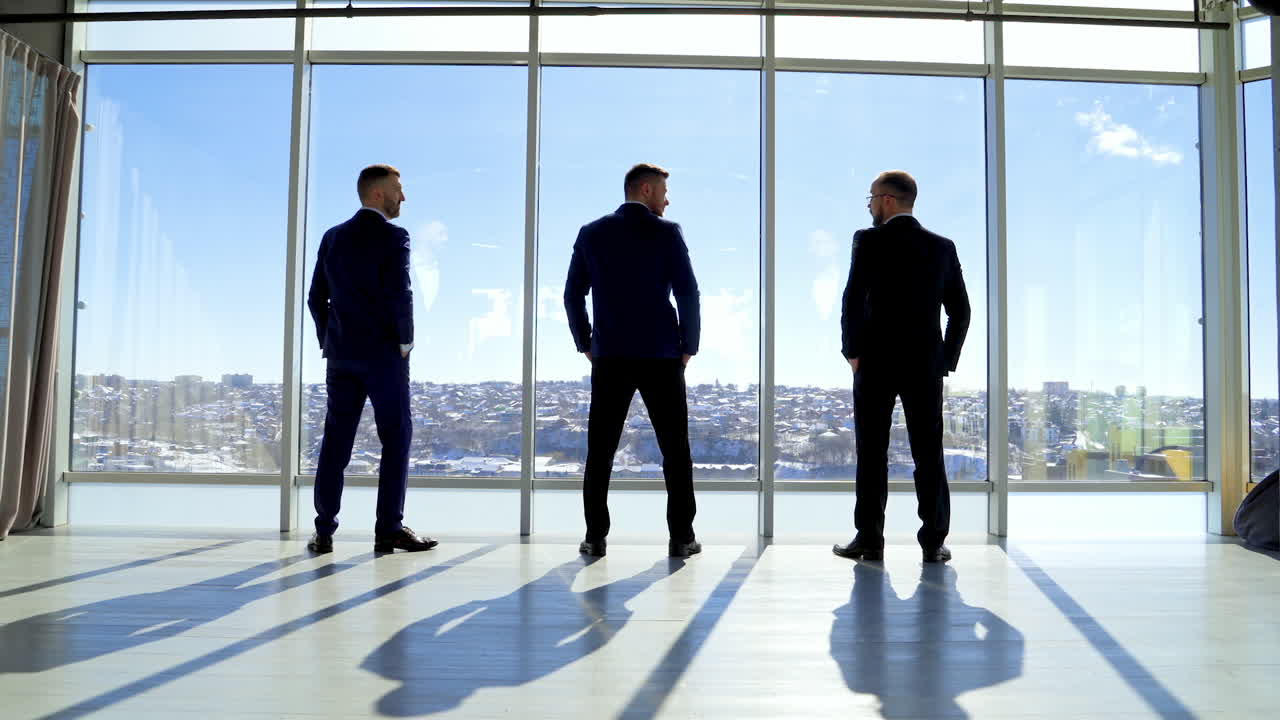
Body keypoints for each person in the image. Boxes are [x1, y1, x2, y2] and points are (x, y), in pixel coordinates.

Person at [563, 163, 702, 558]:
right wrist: (688, 344)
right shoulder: (668, 232)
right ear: (645, 189)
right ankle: (681, 538)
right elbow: (688, 293)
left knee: (601, 449)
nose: (667, 199)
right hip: (662, 354)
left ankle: (595, 536)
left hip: (610, 355)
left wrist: (585, 343)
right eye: (663, 191)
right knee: (675, 450)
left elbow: (573, 295)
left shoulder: (592, 233)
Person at [833, 170, 970, 564]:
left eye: (872, 198)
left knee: (872, 452)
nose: (871, 205)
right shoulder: (942, 247)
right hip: (925, 364)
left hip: (874, 361)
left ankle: (870, 541)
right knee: (929, 452)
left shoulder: (869, 239)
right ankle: (934, 543)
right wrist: (945, 359)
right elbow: (960, 310)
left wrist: (852, 353)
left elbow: (853, 298)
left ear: (887, 200)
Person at [305, 164, 437, 554]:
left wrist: (331, 340)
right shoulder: (394, 236)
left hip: (341, 356)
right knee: (396, 439)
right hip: (384, 356)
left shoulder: (332, 237)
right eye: (399, 189)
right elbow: (402, 292)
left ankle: (324, 531)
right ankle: (389, 529)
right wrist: (406, 343)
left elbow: (316, 298)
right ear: (377, 194)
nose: (404, 196)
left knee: (336, 443)